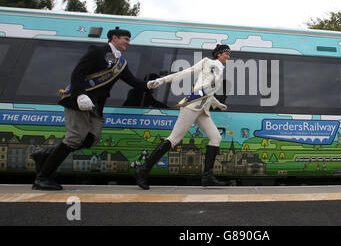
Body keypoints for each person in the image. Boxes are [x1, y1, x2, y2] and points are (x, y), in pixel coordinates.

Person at [32, 27, 150, 190]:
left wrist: (151, 85)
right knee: (75, 138)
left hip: (95, 107)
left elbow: (132, 81)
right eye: (126, 39)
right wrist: (80, 95)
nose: (128, 43)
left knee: (91, 138)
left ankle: (45, 154)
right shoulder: (97, 51)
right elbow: (77, 73)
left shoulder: (120, 63)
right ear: (114, 38)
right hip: (78, 102)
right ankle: (43, 178)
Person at [134, 44, 231, 189]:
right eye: (226, 54)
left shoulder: (220, 70)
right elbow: (186, 72)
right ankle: (142, 170)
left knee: (216, 138)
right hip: (192, 106)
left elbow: (208, 90)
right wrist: (161, 80)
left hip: (202, 109)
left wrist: (216, 103)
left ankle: (207, 177)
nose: (228, 57)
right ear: (219, 54)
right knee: (174, 139)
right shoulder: (207, 62)